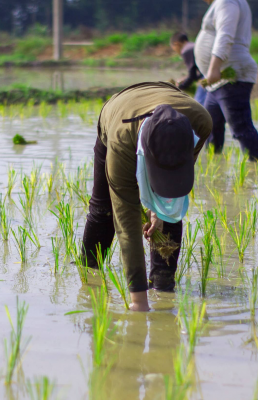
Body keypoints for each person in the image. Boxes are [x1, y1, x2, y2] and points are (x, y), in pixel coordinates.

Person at [81, 82, 212, 312]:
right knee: (104, 211)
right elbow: (127, 225)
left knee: (170, 214)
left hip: (162, 104)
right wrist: (138, 301)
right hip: (119, 114)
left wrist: (158, 210)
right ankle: (88, 273)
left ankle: (163, 287)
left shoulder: (201, 122)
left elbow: (179, 172)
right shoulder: (120, 141)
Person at [193, 0, 258, 161]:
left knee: (241, 127)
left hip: (231, 76)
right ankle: (215, 167)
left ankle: (256, 168)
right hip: (218, 82)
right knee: (210, 127)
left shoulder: (227, 2)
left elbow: (225, 34)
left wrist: (214, 67)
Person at [170, 32, 207, 105]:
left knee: (198, 105)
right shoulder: (193, 46)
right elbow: (196, 73)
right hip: (209, 74)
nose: (176, 52)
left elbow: (192, 76)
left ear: (176, 44)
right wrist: (186, 78)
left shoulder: (186, 50)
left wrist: (179, 87)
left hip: (207, 77)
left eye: (174, 49)